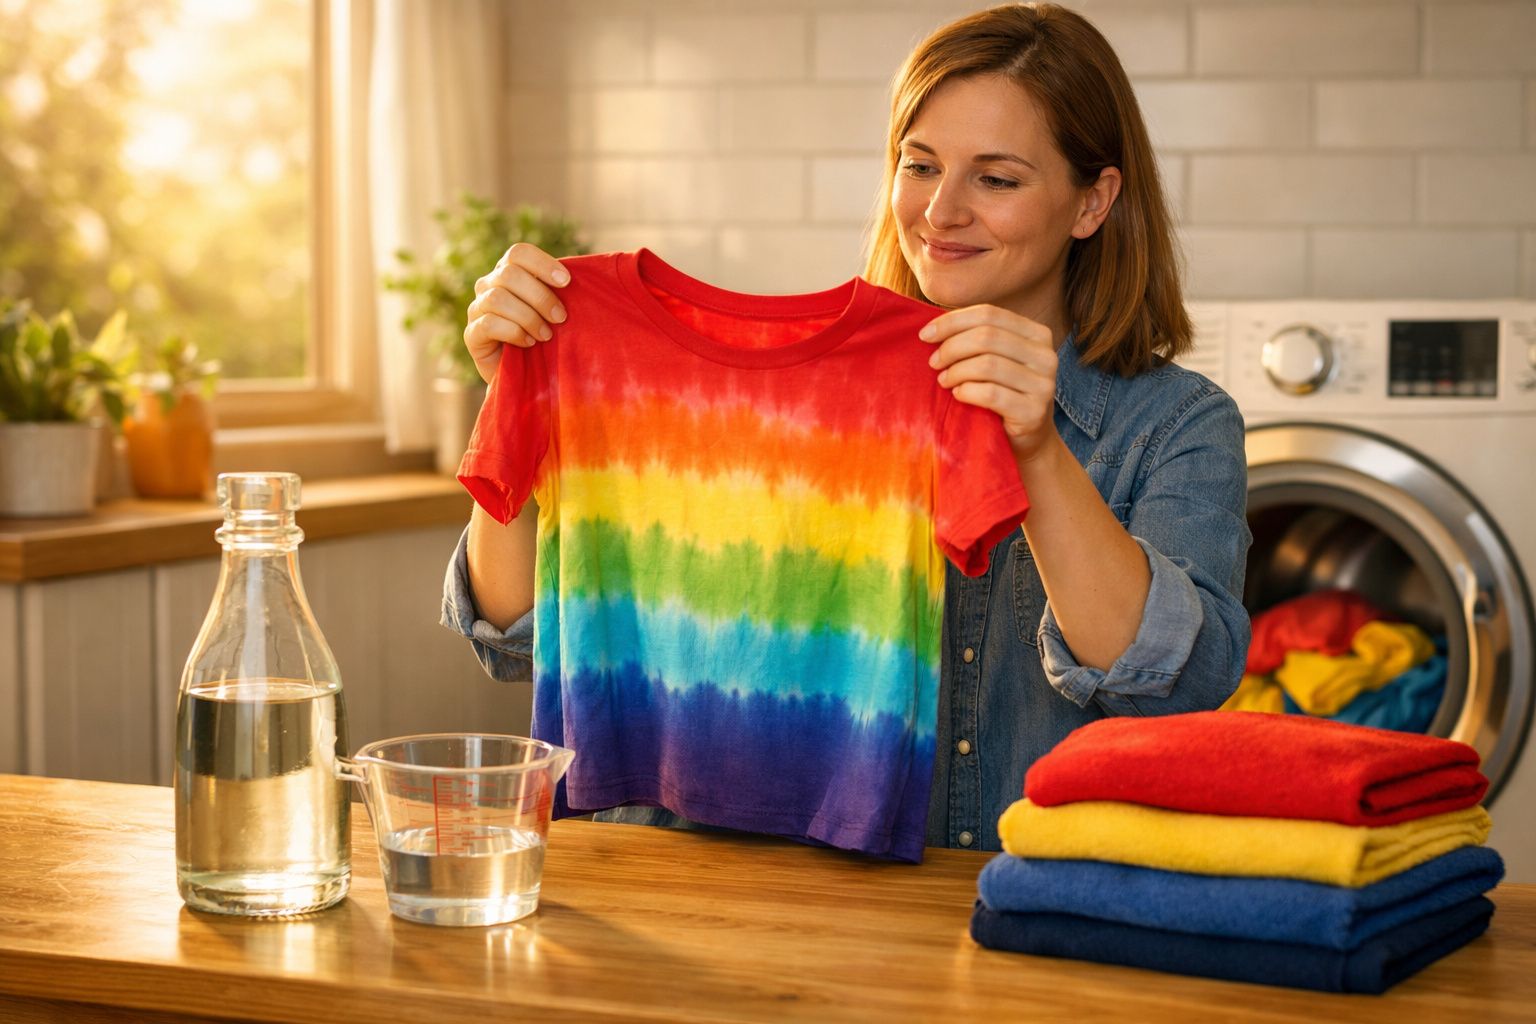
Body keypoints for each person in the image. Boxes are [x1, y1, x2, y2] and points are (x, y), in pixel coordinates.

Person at [441, 2, 1251, 852]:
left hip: (1020, 912)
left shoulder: (1177, 426)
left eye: (997, 179)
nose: (941, 212)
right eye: (920, 165)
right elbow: (511, 641)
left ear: (1093, 203)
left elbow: (1176, 689)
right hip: (711, 902)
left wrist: (1037, 452)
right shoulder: (789, 387)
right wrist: (521, 404)